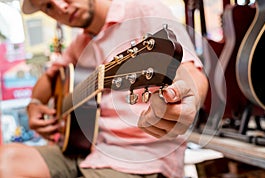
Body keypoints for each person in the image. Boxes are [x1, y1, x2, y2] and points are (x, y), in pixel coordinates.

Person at [0, 0, 208, 177]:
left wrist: (189, 98)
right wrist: (34, 105)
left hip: (138, 160)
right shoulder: (80, 44)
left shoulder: (143, 9)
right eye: (48, 6)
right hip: (82, 148)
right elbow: (48, 79)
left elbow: (190, 72)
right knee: (5, 163)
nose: (61, 7)